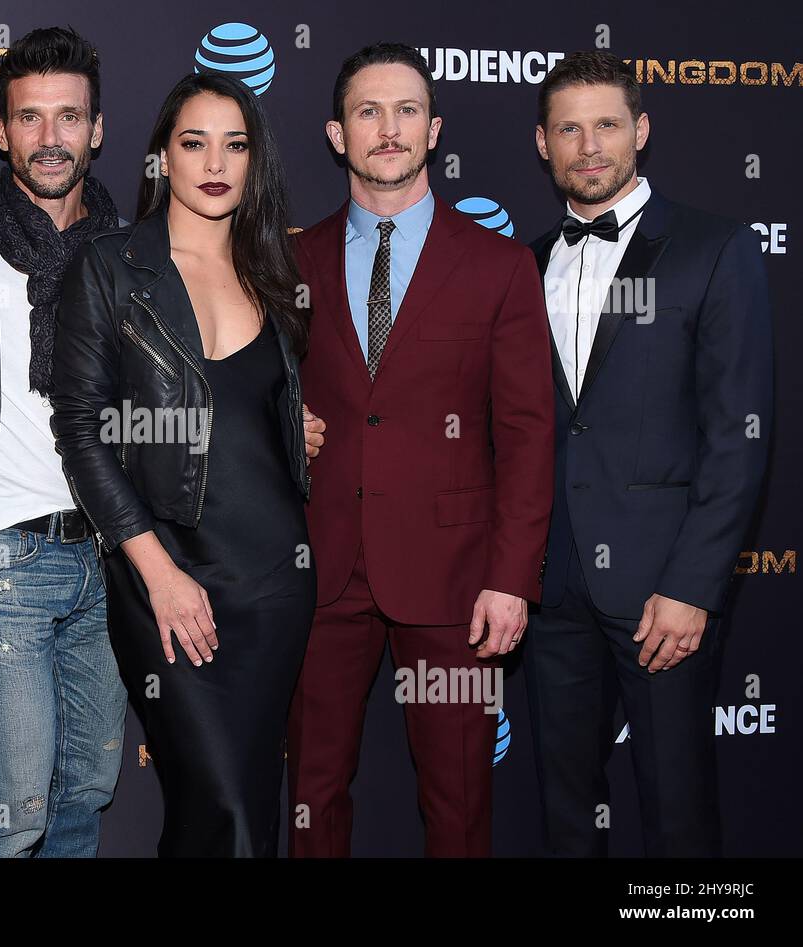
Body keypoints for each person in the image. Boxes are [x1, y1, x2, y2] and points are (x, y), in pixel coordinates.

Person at [285, 42, 554, 858]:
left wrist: (512, 579)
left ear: (434, 129)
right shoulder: (289, 261)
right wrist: (280, 420)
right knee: (311, 792)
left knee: (460, 801)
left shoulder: (500, 266)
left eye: (405, 110)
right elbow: (250, 391)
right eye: (368, 111)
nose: (388, 128)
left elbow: (528, 433)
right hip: (321, 567)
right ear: (338, 134)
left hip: (455, 575)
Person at [52, 72, 321, 857]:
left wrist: (294, 426)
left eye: (235, 144)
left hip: (273, 576)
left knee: (242, 814)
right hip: (164, 570)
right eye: (193, 142)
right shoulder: (107, 267)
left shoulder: (275, 271)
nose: (215, 161)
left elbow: (253, 408)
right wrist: (158, 573)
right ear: (161, 156)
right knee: (220, 803)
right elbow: (82, 432)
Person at [524, 51, 773, 857]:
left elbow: (738, 437)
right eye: (569, 127)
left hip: (664, 590)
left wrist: (694, 585)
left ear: (641, 130)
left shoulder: (713, 247)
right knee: (566, 814)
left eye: (605, 124)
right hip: (552, 585)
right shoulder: (523, 264)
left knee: (678, 815)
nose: (588, 145)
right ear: (542, 144)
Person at [0, 27, 128, 858]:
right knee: (15, 811)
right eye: (31, 118)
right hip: (2, 558)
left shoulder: (131, 252)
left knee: (88, 789)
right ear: (2, 131)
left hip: (112, 559)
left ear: (96, 129)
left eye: (68, 117)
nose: (51, 138)